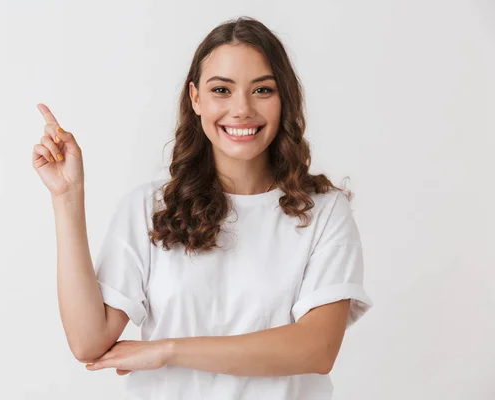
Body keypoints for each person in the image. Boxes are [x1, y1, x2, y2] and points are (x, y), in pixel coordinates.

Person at [32, 16, 373, 400]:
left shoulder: (324, 212)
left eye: (262, 89)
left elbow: (317, 348)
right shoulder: (149, 208)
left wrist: (168, 350)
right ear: (196, 98)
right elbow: (88, 342)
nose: (242, 109)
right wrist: (66, 197)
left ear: (284, 99)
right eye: (221, 90)